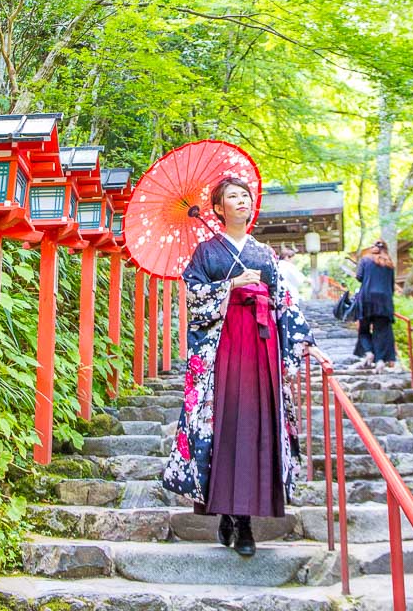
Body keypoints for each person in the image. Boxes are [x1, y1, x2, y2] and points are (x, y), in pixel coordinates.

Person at [161, 177, 317, 558]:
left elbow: (284, 302)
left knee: (256, 425)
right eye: (233, 196)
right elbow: (193, 296)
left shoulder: (265, 253)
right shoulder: (206, 253)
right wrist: (229, 285)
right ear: (217, 209)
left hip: (261, 348)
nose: (242, 200)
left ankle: (246, 521)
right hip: (224, 348)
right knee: (224, 426)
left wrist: (304, 343)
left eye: (245, 195)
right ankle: (226, 513)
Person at [355, 241, 397, 373]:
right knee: (382, 331)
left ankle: (368, 352)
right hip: (384, 301)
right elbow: (391, 285)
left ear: (373, 248)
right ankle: (379, 361)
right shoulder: (389, 264)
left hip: (367, 299)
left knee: (364, 329)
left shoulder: (365, 260)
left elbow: (359, 277)